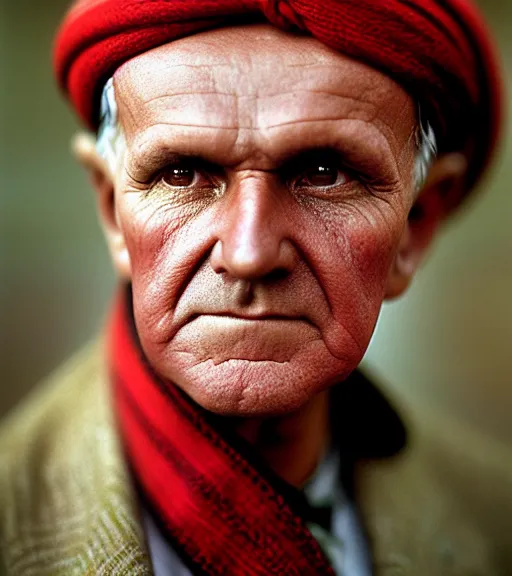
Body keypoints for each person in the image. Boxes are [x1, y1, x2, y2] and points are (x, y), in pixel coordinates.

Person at [0, 0, 511, 574]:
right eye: (182, 173)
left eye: (323, 174)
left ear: (416, 225)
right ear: (112, 211)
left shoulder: (496, 519)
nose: (248, 254)